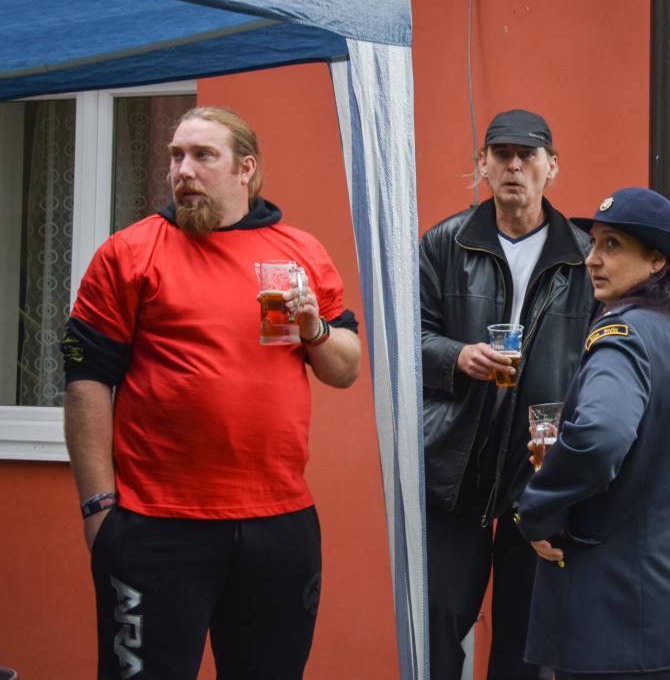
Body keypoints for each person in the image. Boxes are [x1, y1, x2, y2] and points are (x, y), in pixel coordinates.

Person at [62, 106, 362, 680]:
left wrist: (315, 330)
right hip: (156, 524)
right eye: (176, 156)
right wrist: (99, 507)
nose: (183, 170)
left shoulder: (298, 251)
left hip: (279, 522)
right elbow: (86, 382)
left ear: (245, 168)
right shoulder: (130, 252)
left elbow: (344, 369)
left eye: (203, 155)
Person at [517, 187, 670, 679]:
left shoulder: (623, 335)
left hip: (621, 621)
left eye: (612, 245)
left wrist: (539, 511)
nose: (592, 259)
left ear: (657, 260)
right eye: (594, 243)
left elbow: (598, 437)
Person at [419, 109, 597, 679]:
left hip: (541, 462)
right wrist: (456, 356)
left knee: (527, 639)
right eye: (501, 154)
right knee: (437, 624)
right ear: (483, 164)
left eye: (527, 155)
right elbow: (407, 338)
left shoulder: (586, 253)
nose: (514, 166)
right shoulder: (444, 242)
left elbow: (607, 356)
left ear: (552, 166)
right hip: (456, 462)